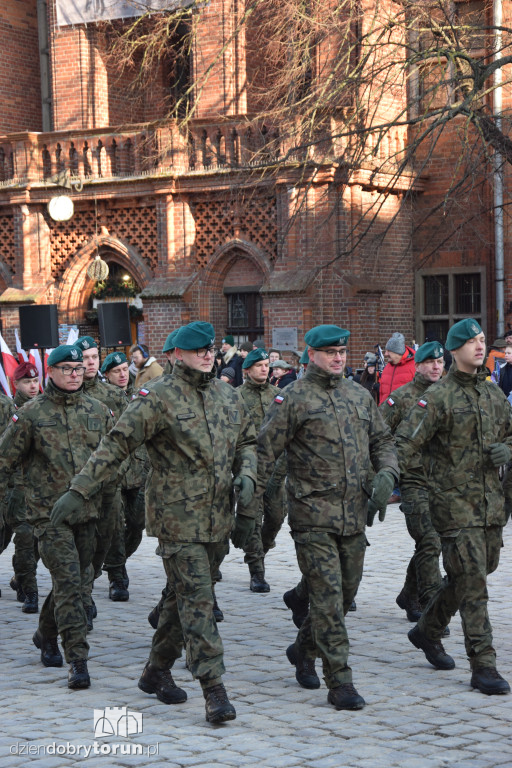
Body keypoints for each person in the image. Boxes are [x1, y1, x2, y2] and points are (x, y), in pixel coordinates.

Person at [50, 321, 258, 723]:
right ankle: (213, 688)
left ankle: (156, 670)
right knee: (198, 600)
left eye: (210, 349)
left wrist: (247, 473)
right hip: (176, 520)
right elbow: (115, 445)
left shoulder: (226, 396)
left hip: (217, 519)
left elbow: (247, 442)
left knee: (182, 600)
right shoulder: (157, 397)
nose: (207, 356)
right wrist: (79, 491)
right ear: (176, 355)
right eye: (198, 350)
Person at [258, 324, 399, 710]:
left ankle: (303, 648)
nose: (338, 358)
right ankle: (340, 681)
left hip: (353, 515)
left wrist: (387, 472)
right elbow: (264, 452)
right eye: (330, 352)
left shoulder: (359, 395)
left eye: (342, 352)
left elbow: (383, 440)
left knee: (345, 592)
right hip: (311, 515)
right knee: (329, 600)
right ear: (312, 355)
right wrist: (249, 502)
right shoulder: (293, 398)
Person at [395, 318, 512, 695]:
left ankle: (426, 630)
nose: (480, 346)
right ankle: (484, 665)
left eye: (481, 340)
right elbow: (405, 442)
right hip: (452, 506)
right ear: (454, 349)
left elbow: (510, 433)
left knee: (476, 571)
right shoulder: (440, 396)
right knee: (474, 581)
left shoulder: (493, 394)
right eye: (471, 341)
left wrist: (507, 449)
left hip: (490, 505)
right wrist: (382, 480)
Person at [0, 345, 114, 689]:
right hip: (47, 517)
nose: (74, 374)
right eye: (66, 368)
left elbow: (113, 459)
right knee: (69, 583)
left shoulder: (98, 410)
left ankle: (46, 633)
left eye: (78, 368)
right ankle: (77, 659)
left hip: (89, 512)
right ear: (50, 371)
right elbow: (5, 460)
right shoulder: (31, 415)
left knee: (79, 581)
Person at [379, 341, 445, 624]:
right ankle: (431, 611)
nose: (436, 366)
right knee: (429, 540)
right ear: (417, 365)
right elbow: (378, 435)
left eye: (440, 362)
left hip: (444, 482)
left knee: (431, 543)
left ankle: (409, 593)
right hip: (413, 480)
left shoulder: (447, 395)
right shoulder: (401, 398)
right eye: (430, 362)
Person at [238, 348, 287, 592]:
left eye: (266, 364)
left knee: (276, 517)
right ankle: (256, 570)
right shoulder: (236, 397)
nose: (264, 368)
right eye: (258, 365)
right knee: (252, 520)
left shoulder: (279, 396)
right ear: (247, 370)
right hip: (249, 469)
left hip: (275, 471)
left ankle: (262, 551)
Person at [100, 352, 148, 602]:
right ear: (106, 374)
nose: (121, 374)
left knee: (137, 524)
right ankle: (116, 575)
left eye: (123, 370)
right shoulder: (98, 397)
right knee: (116, 527)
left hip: (138, 471)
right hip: (113, 473)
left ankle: (114, 561)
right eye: (115, 371)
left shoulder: (138, 395)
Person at [6, 362, 41, 613]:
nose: (33, 385)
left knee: (33, 540)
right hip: (15, 486)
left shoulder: (44, 408)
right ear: (15, 384)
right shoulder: (9, 410)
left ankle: (24, 582)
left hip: (42, 486)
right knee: (22, 538)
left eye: (36, 380)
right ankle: (29, 589)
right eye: (27, 381)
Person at [378, 332, 416, 404]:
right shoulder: (386, 369)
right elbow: (382, 394)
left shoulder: (415, 367)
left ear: (398, 352)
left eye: (389, 351)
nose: (385, 354)